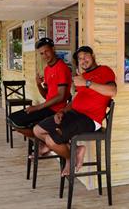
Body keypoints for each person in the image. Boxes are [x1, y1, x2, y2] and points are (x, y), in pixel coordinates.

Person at [33, 46, 117, 176]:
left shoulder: (104, 70)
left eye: (85, 57)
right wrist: (62, 111)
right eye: (80, 59)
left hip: (90, 119)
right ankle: (76, 150)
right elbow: (76, 100)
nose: (83, 61)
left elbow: (113, 91)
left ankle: (69, 158)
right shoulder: (82, 76)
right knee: (37, 130)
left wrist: (87, 83)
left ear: (93, 56)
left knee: (51, 140)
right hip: (73, 114)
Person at [8, 37, 72, 154]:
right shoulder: (47, 69)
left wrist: (37, 107)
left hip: (56, 110)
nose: (45, 55)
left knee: (16, 120)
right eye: (42, 53)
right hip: (47, 107)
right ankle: (45, 141)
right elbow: (46, 95)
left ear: (53, 49)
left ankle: (46, 142)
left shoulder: (61, 68)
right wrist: (38, 85)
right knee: (12, 120)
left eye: (46, 51)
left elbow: (61, 96)